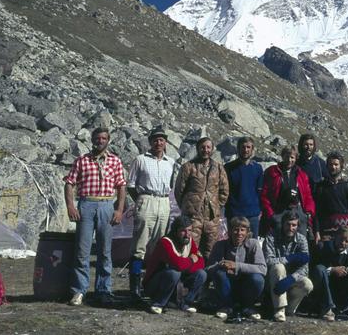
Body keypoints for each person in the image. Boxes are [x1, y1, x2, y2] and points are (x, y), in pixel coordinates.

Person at [64, 127, 126, 306]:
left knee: (105, 251)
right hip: (87, 204)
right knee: (82, 251)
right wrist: (70, 206)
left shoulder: (114, 161)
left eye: (104, 138)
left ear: (108, 140)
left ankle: (103, 290)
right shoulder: (82, 161)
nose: (100, 141)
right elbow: (69, 183)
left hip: (107, 204)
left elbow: (121, 186)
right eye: (97, 138)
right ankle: (79, 291)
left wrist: (119, 210)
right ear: (92, 140)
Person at [126, 125, 175, 301]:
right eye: (155, 139)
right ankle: (135, 288)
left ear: (165, 142)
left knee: (160, 245)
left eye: (161, 139)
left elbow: (172, 184)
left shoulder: (170, 162)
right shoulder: (140, 159)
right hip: (146, 198)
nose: (158, 142)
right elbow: (130, 184)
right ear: (150, 141)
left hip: (163, 201)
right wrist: (141, 199)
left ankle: (152, 284)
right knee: (139, 245)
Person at [174, 137, 229, 259]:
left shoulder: (219, 168)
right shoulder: (188, 167)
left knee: (211, 247)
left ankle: (208, 275)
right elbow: (179, 191)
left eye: (208, 147)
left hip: (212, 217)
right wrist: (187, 206)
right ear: (198, 148)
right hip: (192, 215)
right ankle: (190, 274)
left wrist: (217, 205)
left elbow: (224, 190)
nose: (205, 150)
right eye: (203, 147)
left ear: (212, 149)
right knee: (191, 246)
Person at [142, 215, 207, 314]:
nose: (187, 234)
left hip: (176, 283)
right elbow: (178, 265)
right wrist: (190, 261)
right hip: (155, 284)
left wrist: (184, 264)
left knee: (201, 274)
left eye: (189, 230)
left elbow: (201, 263)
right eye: (183, 231)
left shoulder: (189, 241)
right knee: (174, 273)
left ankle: (185, 303)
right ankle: (159, 303)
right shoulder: (165, 243)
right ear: (175, 231)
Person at [207, 216, 267, 322]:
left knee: (258, 278)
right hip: (228, 286)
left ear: (247, 231)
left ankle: (247, 307)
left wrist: (237, 266)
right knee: (219, 274)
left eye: (242, 230)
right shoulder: (220, 245)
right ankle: (227, 306)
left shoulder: (253, 244)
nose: (239, 233)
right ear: (229, 231)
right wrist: (222, 265)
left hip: (246, 286)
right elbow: (209, 268)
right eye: (235, 229)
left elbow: (262, 268)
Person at [263, 210, 314, 322]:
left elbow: (305, 268)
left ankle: (289, 309)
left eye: (294, 225)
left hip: (290, 279)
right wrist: (288, 259)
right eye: (288, 224)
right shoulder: (271, 236)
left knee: (308, 284)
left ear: (297, 226)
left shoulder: (301, 239)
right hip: (273, 279)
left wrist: (291, 278)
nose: (290, 228)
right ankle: (279, 309)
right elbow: (267, 260)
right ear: (283, 224)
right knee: (279, 267)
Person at [311, 225, 348, 321]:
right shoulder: (323, 247)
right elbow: (313, 267)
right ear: (335, 237)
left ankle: (342, 310)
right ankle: (326, 308)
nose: (343, 243)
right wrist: (331, 270)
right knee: (320, 269)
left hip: (340, 288)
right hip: (323, 288)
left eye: (347, 241)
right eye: (341, 239)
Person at [260, 145, 315, 236]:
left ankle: (300, 250)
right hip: (278, 210)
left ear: (296, 158)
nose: (289, 160)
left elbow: (307, 195)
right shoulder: (272, 172)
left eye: (292, 157)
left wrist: (308, 212)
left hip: (296, 209)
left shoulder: (301, 174)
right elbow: (265, 194)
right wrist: (270, 213)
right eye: (287, 156)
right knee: (277, 234)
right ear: (282, 156)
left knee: (301, 234)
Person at [314, 152, 348, 240]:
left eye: (336, 164)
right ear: (327, 166)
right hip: (327, 230)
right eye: (331, 164)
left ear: (341, 166)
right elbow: (317, 211)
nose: (333, 167)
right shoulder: (321, 187)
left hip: (346, 231)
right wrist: (317, 231)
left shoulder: (347, 186)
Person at [224, 137, 264, 238]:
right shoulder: (228, 168)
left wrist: (260, 210)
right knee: (233, 244)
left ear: (252, 149)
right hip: (234, 213)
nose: (245, 150)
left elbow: (260, 191)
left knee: (252, 245)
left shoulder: (257, 168)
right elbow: (224, 191)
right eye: (243, 147)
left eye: (248, 147)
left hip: (252, 213)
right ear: (238, 149)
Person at [297, 133, 328, 198]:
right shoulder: (296, 163)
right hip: (299, 200)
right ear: (301, 145)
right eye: (306, 144)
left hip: (316, 200)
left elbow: (329, 180)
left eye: (311, 145)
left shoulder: (320, 163)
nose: (308, 147)